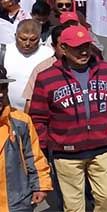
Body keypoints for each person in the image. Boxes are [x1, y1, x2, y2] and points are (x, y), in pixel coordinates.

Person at [29, 25, 107, 212]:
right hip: (66, 153)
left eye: (86, 46)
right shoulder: (46, 77)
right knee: (74, 206)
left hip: (103, 147)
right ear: (63, 49)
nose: (83, 51)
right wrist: (43, 150)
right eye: (77, 47)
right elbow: (38, 118)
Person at [0, 66, 53, 211]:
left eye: (3, 88)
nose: (0, 94)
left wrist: (41, 185)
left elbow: (34, 156)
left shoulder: (21, 121)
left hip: (18, 202)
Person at [5, 19, 54, 111]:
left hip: (37, 113)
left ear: (39, 38)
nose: (27, 43)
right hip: (7, 114)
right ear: (15, 36)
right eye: (23, 39)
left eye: (32, 39)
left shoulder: (48, 54)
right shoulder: (4, 51)